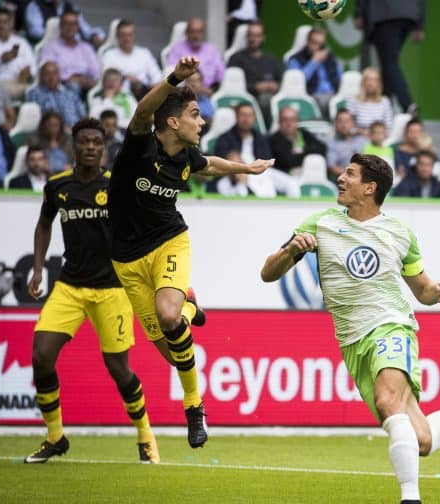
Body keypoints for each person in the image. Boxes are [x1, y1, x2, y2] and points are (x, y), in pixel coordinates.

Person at [260, 153, 440, 504]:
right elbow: (268, 273)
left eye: (349, 174)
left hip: (392, 326)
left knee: (387, 399)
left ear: (370, 188)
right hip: (351, 340)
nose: (340, 179)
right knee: (420, 439)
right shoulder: (321, 223)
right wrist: (293, 249)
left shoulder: (399, 233)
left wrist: (437, 290)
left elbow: (421, 289)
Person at [108, 56, 273, 448]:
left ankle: (194, 406)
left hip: (169, 240)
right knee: (173, 350)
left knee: (168, 316)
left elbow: (209, 166)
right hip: (127, 261)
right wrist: (174, 79)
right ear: (172, 122)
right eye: (195, 115)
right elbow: (143, 109)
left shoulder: (185, 156)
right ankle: (189, 306)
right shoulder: (139, 148)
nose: (202, 122)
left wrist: (245, 169)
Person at [24, 117, 159, 465]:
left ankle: (145, 435)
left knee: (119, 369)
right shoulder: (58, 186)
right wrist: (38, 268)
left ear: (103, 147)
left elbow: (140, 226)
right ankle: (55, 437)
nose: (90, 148)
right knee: (41, 357)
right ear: (74, 145)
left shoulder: (117, 185)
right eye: (84, 142)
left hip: (111, 289)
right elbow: (44, 224)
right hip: (69, 285)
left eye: (96, 143)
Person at [355, 0, 425, 114]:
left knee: (390, 64)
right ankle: (386, 105)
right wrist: (420, 24)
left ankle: (407, 104)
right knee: (387, 64)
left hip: (385, 14)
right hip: (409, 14)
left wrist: (359, 12)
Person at [213, 103, 298, 197]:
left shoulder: (260, 138)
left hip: (261, 171)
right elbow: (222, 161)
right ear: (236, 117)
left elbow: (266, 158)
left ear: (254, 118)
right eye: (243, 115)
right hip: (238, 172)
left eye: (249, 115)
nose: (246, 119)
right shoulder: (225, 138)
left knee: (291, 183)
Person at [226, 20, 282, 124]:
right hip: (246, 99)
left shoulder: (271, 59)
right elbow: (230, 86)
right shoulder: (236, 58)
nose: (253, 39)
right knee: (265, 99)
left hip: (272, 98)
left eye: (257, 35)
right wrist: (256, 87)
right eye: (250, 35)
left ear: (263, 37)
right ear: (246, 36)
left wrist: (276, 86)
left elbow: (282, 81)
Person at [38, 10, 100, 95]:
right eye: (67, 23)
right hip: (63, 84)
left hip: (87, 83)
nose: (70, 27)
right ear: (60, 26)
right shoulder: (50, 47)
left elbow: (96, 71)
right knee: (73, 86)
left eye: (74, 24)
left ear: (78, 27)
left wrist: (90, 81)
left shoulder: (86, 48)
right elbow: (47, 72)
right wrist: (70, 79)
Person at [100, 19, 163, 100]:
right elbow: (108, 80)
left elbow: (157, 77)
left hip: (146, 95)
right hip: (120, 96)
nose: (127, 39)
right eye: (123, 35)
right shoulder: (109, 55)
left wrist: (142, 85)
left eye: (129, 34)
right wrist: (127, 79)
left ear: (134, 35)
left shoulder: (144, 53)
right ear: (117, 36)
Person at [286, 26, 342, 116]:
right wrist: (314, 62)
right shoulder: (295, 59)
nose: (318, 48)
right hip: (311, 95)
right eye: (315, 43)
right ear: (308, 42)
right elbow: (298, 82)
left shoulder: (330, 57)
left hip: (332, 94)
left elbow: (340, 78)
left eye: (321, 44)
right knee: (324, 101)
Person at [0, 6, 36, 99]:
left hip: (21, 83)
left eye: (5, 22)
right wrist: (0, 60)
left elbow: (33, 65)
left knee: (38, 91)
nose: (2, 26)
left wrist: (28, 73)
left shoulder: (21, 42)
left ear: (11, 24)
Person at [166, 18, 224, 93]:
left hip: (209, 92)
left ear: (203, 33)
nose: (196, 35)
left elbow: (220, 75)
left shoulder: (212, 50)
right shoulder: (177, 49)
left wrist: (209, 91)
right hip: (183, 91)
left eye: (199, 32)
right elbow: (171, 72)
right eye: (192, 32)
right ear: (186, 33)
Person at [26, 61, 87, 130]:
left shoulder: (70, 94)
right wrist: (65, 130)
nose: (52, 77)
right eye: (47, 74)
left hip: (76, 132)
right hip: (54, 133)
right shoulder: (35, 94)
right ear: (41, 77)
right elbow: (44, 119)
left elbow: (83, 116)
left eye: (55, 73)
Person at [269, 106, 326, 175]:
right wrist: (307, 152)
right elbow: (288, 161)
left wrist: (301, 153)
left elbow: (322, 148)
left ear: (297, 121)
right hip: (284, 178)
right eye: (285, 120)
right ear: (279, 122)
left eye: (292, 120)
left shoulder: (304, 134)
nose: (289, 124)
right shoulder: (272, 140)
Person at [25, 0, 105, 47]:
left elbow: (85, 29)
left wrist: (94, 36)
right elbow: (35, 32)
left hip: (77, 47)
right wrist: (63, 34)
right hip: (51, 47)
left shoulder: (70, 6)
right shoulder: (35, 6)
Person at [346, 67, 393, 137]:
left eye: (374, 80)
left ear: (379, 83)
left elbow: (389, 127)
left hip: (380, 140)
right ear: (363, 82)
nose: (370, 83)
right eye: (368, 80)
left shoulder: (385, 102)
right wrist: (360, 132)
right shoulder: (353, 101)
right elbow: (347, 127)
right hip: (358, 138)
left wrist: (378, 136)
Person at [326, 108, 367, 180]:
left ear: (353, 123)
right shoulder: (332, 144)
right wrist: (352, 174)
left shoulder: (363, 141)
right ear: (335, 124)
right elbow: (332, 167)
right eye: (340, 121)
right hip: (343, 180)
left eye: (347, 121)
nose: (344, 124)